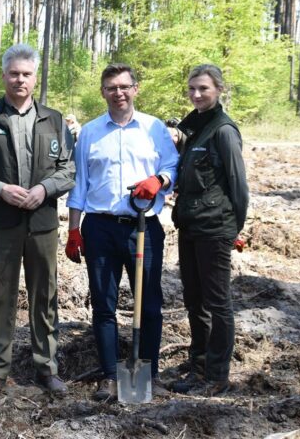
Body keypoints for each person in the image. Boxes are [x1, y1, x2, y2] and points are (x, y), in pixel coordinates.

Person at [0, 44, 75, 400]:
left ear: (35, 78)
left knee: (45, 296)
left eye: (26, 74)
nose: (19, 79)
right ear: (4, 75)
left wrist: (44, 189)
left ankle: (47, 368)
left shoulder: (54, 120)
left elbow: (68, 169)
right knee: (0, 297)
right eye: (14, 73)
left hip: (42, 222)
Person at [64, 63, 179, 401]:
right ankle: (111, 375)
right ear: (103, 92)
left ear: (135, 89)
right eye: (112, 87)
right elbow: (79, 183)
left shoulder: (154, 128)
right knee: (103, 304)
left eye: (124, 86)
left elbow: (173, 166)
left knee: (150, 305)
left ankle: (150, 374)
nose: (119, 93)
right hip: (100, 227)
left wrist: (159, 181)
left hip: (143, 227)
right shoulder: (89, 132)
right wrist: (74, 229)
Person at [170, 64, 249, 396]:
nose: (196, 94)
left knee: (217, 303)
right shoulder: (195, 126)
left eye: (203, 88)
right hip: (189, 225)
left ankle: (217, 375)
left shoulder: (223, 131)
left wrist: (233, 229)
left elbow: (239, 187)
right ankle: (198, 366)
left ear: (218, 89)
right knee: (194, 300)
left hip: (215, 229)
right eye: (192, 88)